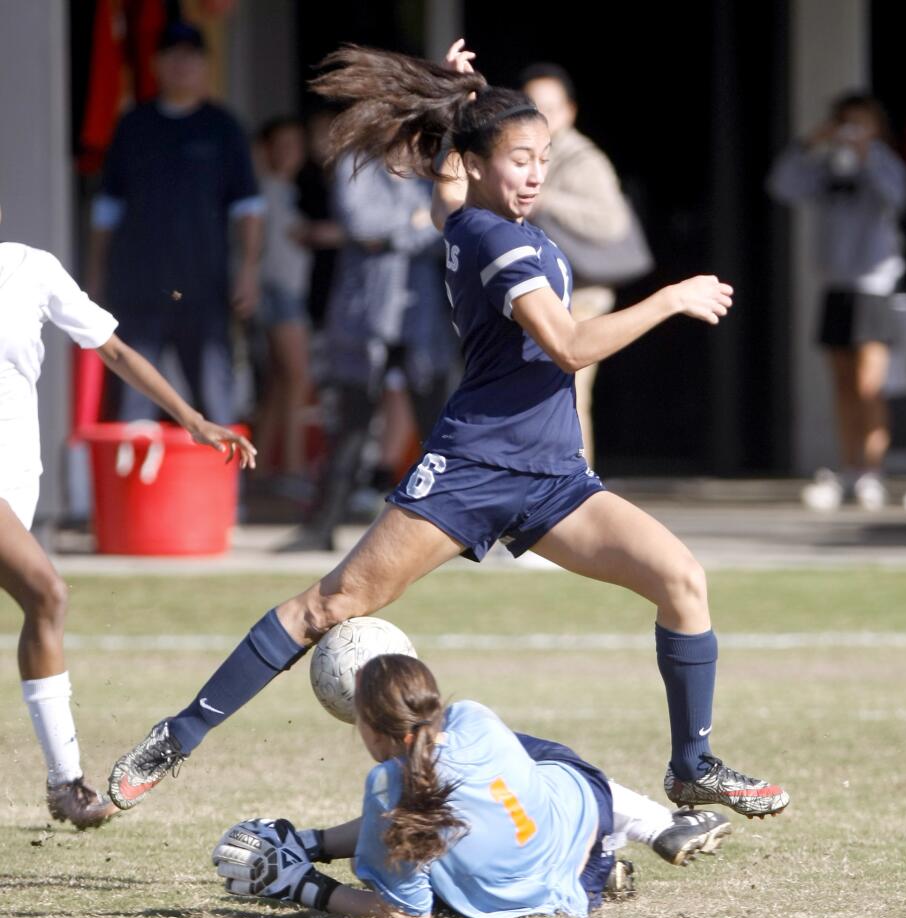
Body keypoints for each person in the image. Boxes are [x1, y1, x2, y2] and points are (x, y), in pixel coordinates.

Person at [108, 40, 789, 822]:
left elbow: (447, 186)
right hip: (471, 467)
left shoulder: (466, 218)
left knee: (680, 579)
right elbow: (568, 344)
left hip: (553, 476)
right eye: (520, 161)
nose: (534, 174)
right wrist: (668, 298)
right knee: (329, 605)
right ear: (480, 163)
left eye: (543, 159)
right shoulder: (494, 241)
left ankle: (692, 765)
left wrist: (465, 95)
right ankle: (176, 735)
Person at [0, 213, 256, 829]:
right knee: (48, 592)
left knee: (42, 602)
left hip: (17, 481)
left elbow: (112, 348)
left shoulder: (30, 268)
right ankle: (66, 787)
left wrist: (192, 420)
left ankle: (64, 787)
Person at [211, 655, 732, 918]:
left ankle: (650, 827)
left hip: (551, 893)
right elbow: (416, 807)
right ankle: (653, 823)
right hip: (580, 827)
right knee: (544, 755)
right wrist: (308, 844)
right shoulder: (473, 717)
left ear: (369, 728)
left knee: (437, 833)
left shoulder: (386, 788)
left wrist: (298, 885)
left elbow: (404, 914)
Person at [87, 20, 264, 426]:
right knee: (134, 403)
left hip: (204, 287)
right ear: (156, 64)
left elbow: (249, 207)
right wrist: (95, 276)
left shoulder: (223, 127)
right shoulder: (132, 126)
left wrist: (249, 270)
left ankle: (225, 488)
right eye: (172, 55)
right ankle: (133, 490)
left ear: (205, 65)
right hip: (135, 287)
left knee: (214, 398)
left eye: (192, 55)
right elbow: (107, 208)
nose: (182, 64)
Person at [281, 155, 456, 550]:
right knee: (348, 426)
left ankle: (457, 532)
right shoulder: (355, 164)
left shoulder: (441, 167)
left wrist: (396, 235)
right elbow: (360, 223)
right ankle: (321, 528)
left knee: (441, 430)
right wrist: (414, 222)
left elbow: (448, 228)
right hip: (364, 317)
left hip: (422, 317)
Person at [768, 92, 906, 511]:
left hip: (876, 285)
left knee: (870, 385)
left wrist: (868, 154)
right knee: (843, 384)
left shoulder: (885, 161)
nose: (852, 131)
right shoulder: (827, 164)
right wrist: (815, 141)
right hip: (837, 286)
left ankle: (873, 470)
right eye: (846, 122)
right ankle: (850, 468)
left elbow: (898, 196)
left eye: (860, 123)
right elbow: (782, 184)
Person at [520, 62, 649, 466]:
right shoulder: (532, 154)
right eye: (531, 107)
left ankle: (576, 491)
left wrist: (546, 201)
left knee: (569, 394)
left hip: (582, 296)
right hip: (547, 295)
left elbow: (609, 220)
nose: (542, 116)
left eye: (549, 107)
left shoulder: (582, 158)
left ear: (569, 111)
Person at [252, 116, 312, 494]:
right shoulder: (266, 190)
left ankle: (256, 471)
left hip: (282, 292)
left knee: (278, 383)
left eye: (296, 144)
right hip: (278, 294)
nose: (290, 152)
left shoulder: (286, 190)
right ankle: (292, 470)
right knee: (297, 378)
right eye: (281, 144)